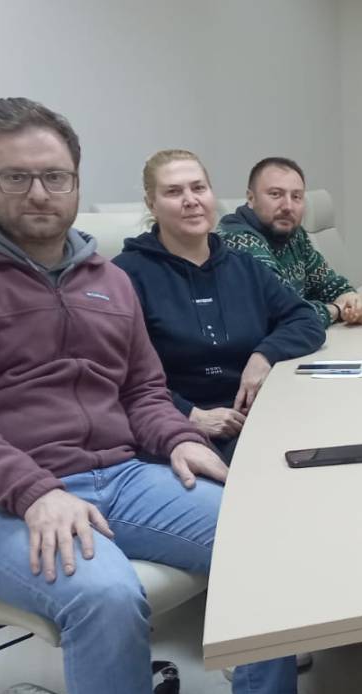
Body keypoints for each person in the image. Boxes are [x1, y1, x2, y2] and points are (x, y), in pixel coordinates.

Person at [0, 98, 352, 694]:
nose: (39, 193)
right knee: (105, 595)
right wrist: (34, 490)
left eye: (55, 177)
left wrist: (180, 439)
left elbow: (142, 390)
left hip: (119, 475)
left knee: (267, 532)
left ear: (76, 180)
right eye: (15, 177)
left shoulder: (105, 278)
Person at [113, 149, 326, 464]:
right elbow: (118, 375)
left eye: (198, 188)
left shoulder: (244, 267)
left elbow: (305, 319)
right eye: (174, 192)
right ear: (151, 204)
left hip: (257, 416)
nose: (190, 200)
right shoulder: (124, 276)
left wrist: (265, 355)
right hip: (177, 430)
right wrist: (190, 414)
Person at [218, 157, 362, 326]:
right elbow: (284, 313)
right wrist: (336, 310)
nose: (288, 206)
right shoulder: (238, 240)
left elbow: (329, 284)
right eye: (275, 194)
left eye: (296, 196)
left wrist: (351, 300)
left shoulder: (293, 234)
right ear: (251, 199)